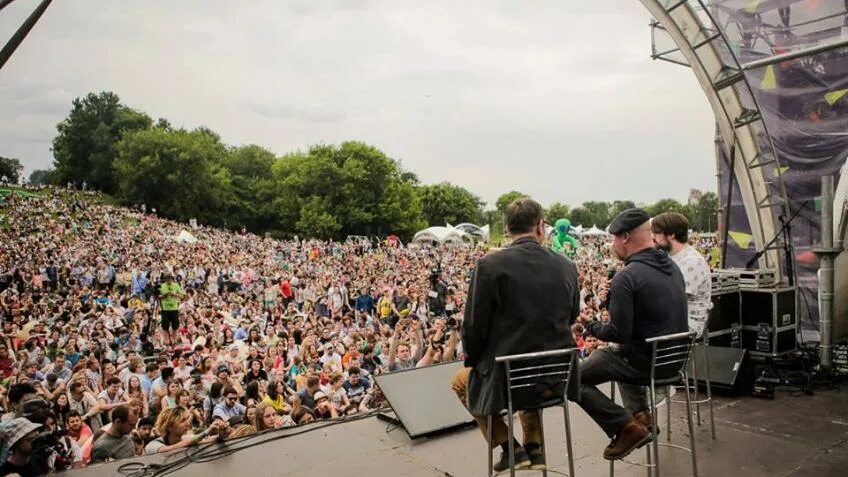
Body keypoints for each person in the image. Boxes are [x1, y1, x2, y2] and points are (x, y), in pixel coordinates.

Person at [450, 198, 580, 472]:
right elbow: (572, 316)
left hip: (511, 375)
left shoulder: (490, 265)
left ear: (507, 228)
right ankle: (534, 446)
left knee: (462, 383)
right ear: (541, 226)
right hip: (558, 374)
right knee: (526, 372)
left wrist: (473, 360)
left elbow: (473, 326)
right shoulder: (566, 265)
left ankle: (510, 448)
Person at [576, 208, 688, 460]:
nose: (612, 244)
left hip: (645, 364)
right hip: (673, 361)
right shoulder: (672, 266)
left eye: (614, 238)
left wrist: (590, 324)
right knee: (617, 356)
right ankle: (642, 418)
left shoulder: (628, 276)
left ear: (625, 237)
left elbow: (618, 333)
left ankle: (626, 428)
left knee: (573, 380)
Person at [651, 212, 712, 335]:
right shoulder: (671, 257)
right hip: (674, 322)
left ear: (671, 234)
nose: (653, 237)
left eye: (657, 233)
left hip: (686, 327)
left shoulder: (691, 262)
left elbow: (669, 300)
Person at [159, 274, 183, 345]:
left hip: (174, 308)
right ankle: (166, 340)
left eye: (170, 279)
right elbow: (159, 296)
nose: (169, 280)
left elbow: (181, 296)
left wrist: (175, 294)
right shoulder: (162, 286)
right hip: (165, 308)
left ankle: (174, 340)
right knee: (165, 325)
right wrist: (165, 294)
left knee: (175, 325)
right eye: (167, 279)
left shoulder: (176, 285)